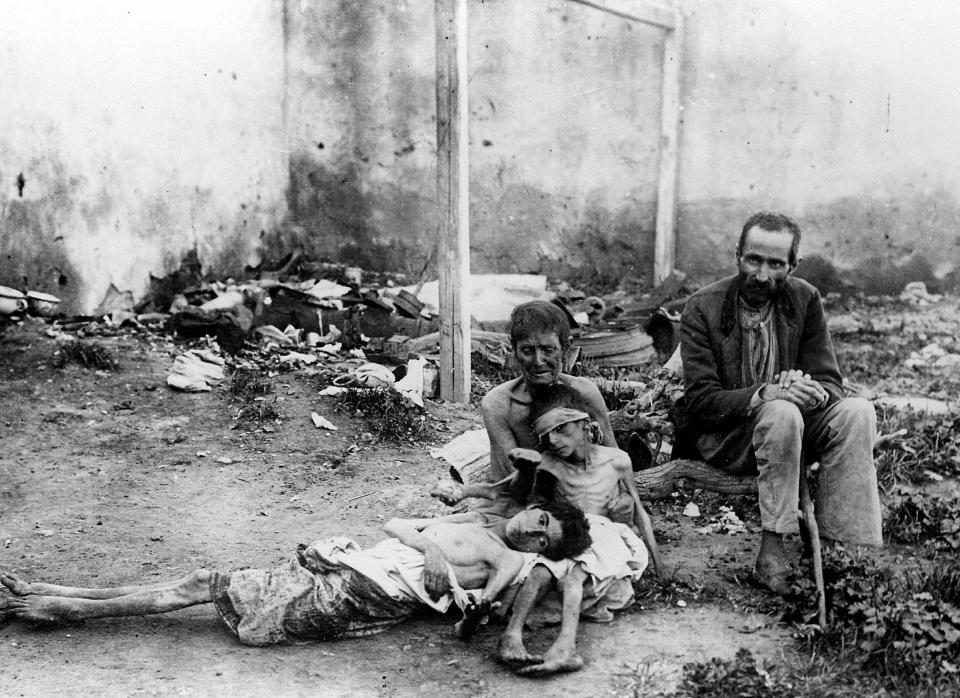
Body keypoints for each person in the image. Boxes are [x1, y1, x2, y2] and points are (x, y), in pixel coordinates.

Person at [0, 502, 591, 647]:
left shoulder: (510, 561)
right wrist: (431, 546)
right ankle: (63, 595)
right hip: (356, 561)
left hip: (370, 592)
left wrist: (462, 591)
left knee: (200, 582)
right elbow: (396, 523)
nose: (531, 533)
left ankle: (68, 606)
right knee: (199, 579)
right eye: (539, 520)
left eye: (545, 539)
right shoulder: (470, 518)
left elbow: (470, 609)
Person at [678, 211, 882, 594]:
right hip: (729, 438)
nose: (761, 274)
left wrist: (812, 390)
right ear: (737, 254)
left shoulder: (805, 299)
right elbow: (701, 401)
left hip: (794, 429)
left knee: (858, 411)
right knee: (780, 410)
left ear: (792, 264)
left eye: (775, 264)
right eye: (753, 259)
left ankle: (844, 550)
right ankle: (773, 549)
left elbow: (829, 382)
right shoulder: (702, 307)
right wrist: (766, 394)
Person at [433, 384, 658, 675]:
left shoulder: (617, 460)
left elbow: (639, 510)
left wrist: (657, 562)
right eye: (546, 435)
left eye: (561, 429)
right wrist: (462, 491)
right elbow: (498, 490)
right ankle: (511, 638)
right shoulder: (551, 462)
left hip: (607, 533)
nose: (553, 440)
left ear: (583, 423)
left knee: (575, 575)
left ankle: (566, 647)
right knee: (540, 570)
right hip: (568, 531)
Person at [480, 300, 615, 514]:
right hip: (527, 503)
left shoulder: (584, 392)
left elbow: (612, 456)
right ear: (514, 351)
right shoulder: (500, 404)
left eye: (548, 349)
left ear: (566, 348)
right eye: (527, 350)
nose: (539, 360)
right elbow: (513, 484)